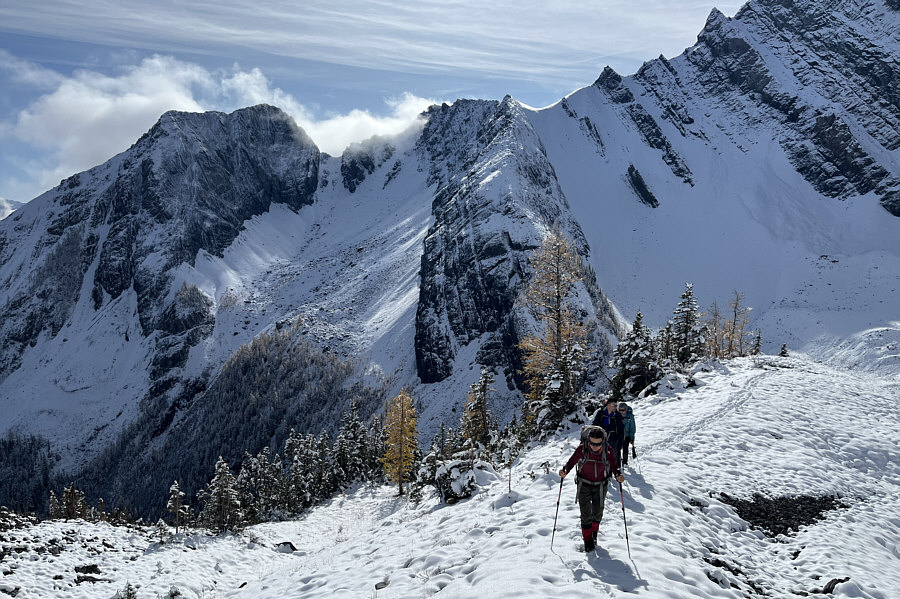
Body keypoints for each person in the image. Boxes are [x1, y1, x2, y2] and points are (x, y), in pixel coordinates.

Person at [558, 427, 625, 552]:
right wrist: (565, 471)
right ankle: (588, 541)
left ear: (602, 442)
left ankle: (594, 535)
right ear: (588, 441)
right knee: (585, 514)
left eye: (598, 444)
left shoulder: (607, 450)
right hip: (584, 484)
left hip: (600, 485)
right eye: (592, 443)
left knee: (598, 512)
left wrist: (618, 475)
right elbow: (572, 461)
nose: (594, 446)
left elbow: (615, 465)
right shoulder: (582, 449)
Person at [593, 398, 624, 466]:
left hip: (614, 439)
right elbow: (595, 426)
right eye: (614, 405)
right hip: (601, 439)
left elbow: (621, 430)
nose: (616, 407)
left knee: (614, 456)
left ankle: (615, 472)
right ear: (608, 405)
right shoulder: (600, 413)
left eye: (616, 405)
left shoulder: (617, 416)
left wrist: (621, 442)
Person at [619, 402, 636, 466]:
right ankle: (619, 460)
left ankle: (625, 462)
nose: (621, 412)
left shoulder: (630, 416)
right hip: (619, 436)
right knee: (618, 449)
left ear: (626, 409)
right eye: (620, 410)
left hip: (627, 436)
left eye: (623, 410)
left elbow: (632, 427)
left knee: (625, 449)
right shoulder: (617, 416)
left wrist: (632, 438)